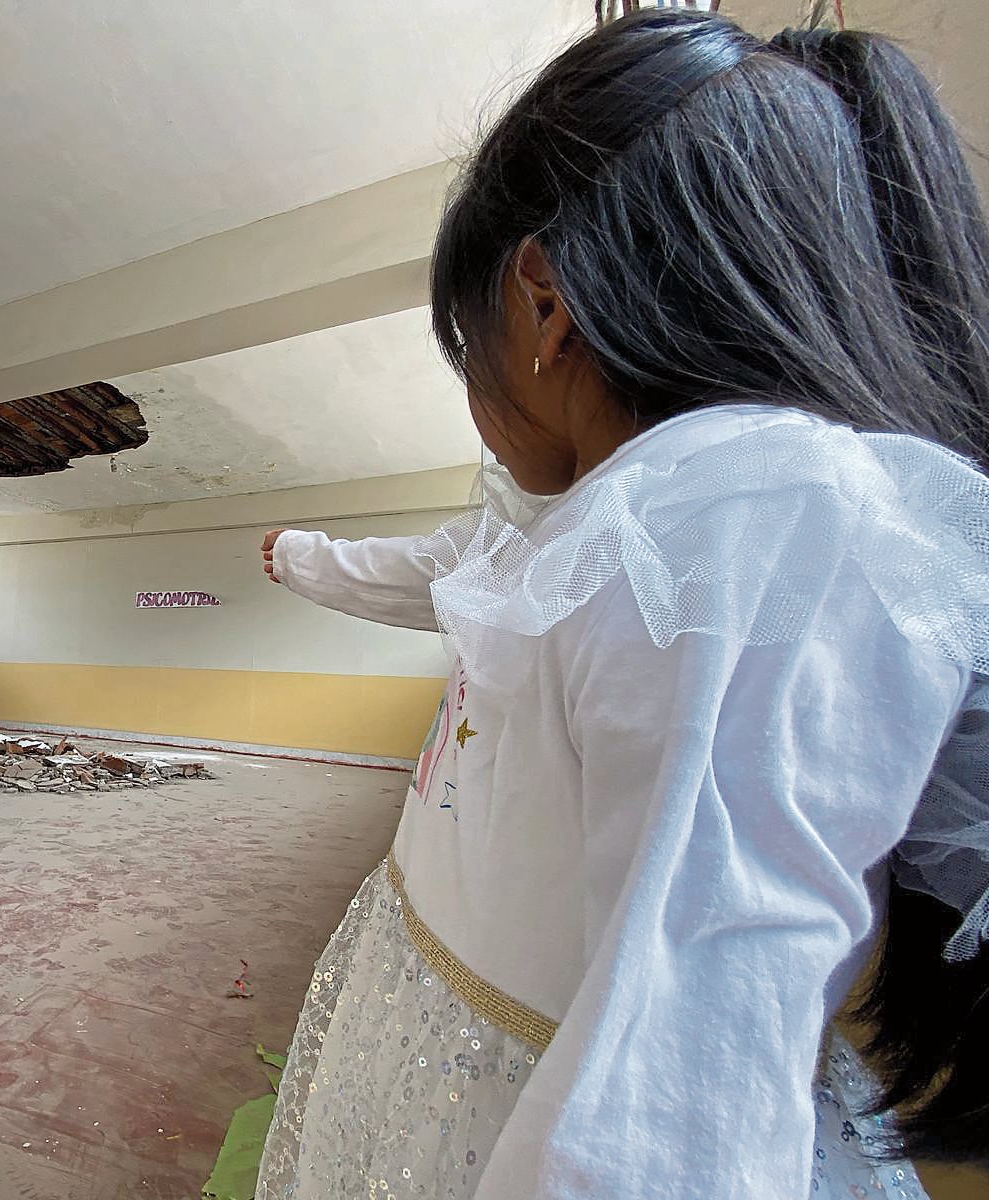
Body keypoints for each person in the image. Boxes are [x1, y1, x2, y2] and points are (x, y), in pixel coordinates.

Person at [253, 10, 989, 1199]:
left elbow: (673, 1110)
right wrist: (296, 556)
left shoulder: (737, 522)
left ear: (538, 303)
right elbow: (427, 577)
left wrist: (294, 554)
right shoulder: (625, 521)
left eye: (462, 345)